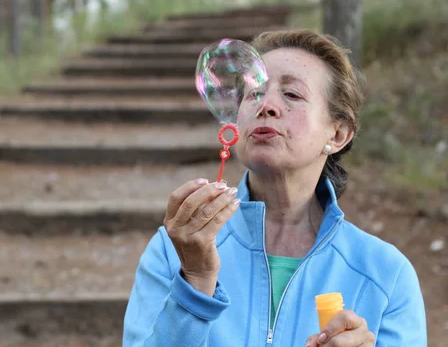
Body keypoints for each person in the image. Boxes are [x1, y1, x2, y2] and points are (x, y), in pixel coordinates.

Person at [122, 29, 426, 346]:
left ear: (337, 135)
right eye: (254, 93)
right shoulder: (176, 251)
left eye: (292, 95)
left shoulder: (386, 276)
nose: (266, 105)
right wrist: (196, 283)